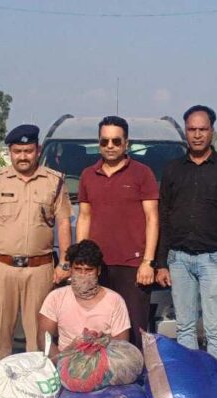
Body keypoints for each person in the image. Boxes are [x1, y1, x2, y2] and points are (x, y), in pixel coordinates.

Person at [156, 105, 217, 366]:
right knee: (184, 327)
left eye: (202, 129)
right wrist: (162, 263)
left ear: (212, 131)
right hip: (179, 260)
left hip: (215, 261)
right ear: (185, 131)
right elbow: (164, 218)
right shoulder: (173, 169)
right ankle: (193, 382)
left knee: (215, 329)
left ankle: (215, 383)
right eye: (192, 129)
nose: (197, 135)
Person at [0, 124, 72, 361]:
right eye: (17, 151)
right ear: (10, 152)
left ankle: (35, 381)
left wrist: (64, 263)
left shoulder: (54, 181)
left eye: (28, 151)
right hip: (1, 268)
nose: (23, 156)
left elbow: (64, 223)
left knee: (38, 337)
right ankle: (0, 381)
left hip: (39, 269)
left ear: (38, 150)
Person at [76, 116, 158, 350]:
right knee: (98, 327)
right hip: (97, 265)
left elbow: (152, 218)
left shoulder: (142, 173)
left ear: (126, 143)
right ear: (99, 143)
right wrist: (81, 260)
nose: (110, 146)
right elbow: (84, 217)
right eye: (104, 141)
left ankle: (135, 371)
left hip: (132, 265)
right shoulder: (88, 175)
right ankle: (101, 371)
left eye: (116, 141)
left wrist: (148, 262)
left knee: (134, 328)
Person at [37, 240, 130, 362]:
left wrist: (99, 356)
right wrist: (60, 363)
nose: (83, 274)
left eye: (89, 270)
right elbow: (44, 338)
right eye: (78, 269)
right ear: (70, 269)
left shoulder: (115, 300)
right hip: (65, 361)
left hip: (102, 363)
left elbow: (122, 344)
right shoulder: (55, 297)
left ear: (98, 271)